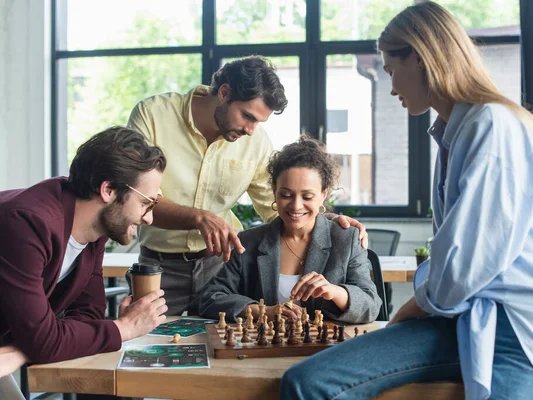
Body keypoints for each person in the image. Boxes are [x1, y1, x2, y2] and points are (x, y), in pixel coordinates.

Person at [280, 2, 533, 399]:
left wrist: (413, 307)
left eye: (390, 70)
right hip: (460, 321)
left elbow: (465, 265)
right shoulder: (455, 134)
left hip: (518, 332)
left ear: (420, 59)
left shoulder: (492, 127)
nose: (390, 86)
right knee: (305, 382)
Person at [128, 55, 368, 316]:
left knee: (220, 348)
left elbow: (277, 205)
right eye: (247, 116)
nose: (251, 130)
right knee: (152, 346)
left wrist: (328, 219)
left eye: (259, 122)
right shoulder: (152, 115)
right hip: (160, 266)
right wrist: (199, 218)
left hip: (221, 265)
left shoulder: (256, 141)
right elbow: (137, 198)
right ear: (224, 92)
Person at [0, 127, 169, 399]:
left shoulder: (94, 232)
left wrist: (26, 347)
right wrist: (123, 328)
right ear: (108, 189)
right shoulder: (29, 223)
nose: (148, 218)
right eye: (146, 203)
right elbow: (45, 342)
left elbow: (88, 314)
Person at [198, 136, 381, 324]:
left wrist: (335, 292)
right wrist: (263, 311)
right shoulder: (249, 241)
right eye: (286, 195)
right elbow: (210, 298)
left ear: (323, 195)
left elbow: (371, 305)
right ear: (274, 192)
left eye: (307, 196)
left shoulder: (346, 239)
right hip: (263, 349)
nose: (296, 206)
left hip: (328, 348)